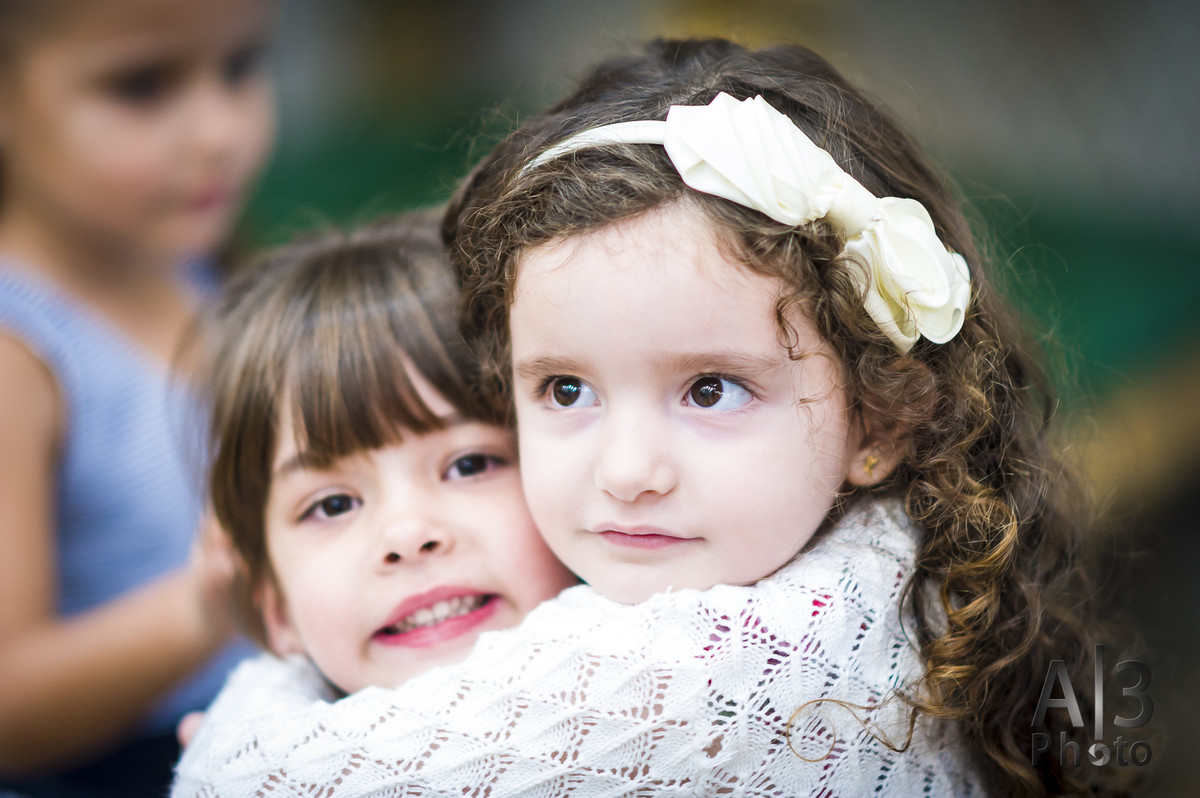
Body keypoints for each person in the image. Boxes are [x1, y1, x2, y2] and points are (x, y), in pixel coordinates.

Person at [175, 39, 1110, 796]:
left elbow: (255, 779)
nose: (627, 470)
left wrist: (253, 702)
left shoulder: (704, 681)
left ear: (881, 418)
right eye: (565, 391)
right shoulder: (894, 563)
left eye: (709, 389)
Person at [0, 0, 275, 794]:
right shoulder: (23, 351)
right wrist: (212, 599)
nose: (218, 132)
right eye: (142, 85)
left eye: (240, 66)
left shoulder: (199, 268)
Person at [194, 212, 578, 703]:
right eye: (333, 505)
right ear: (275, 607)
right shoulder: (245, 769)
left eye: (469, 465)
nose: (409, 534)